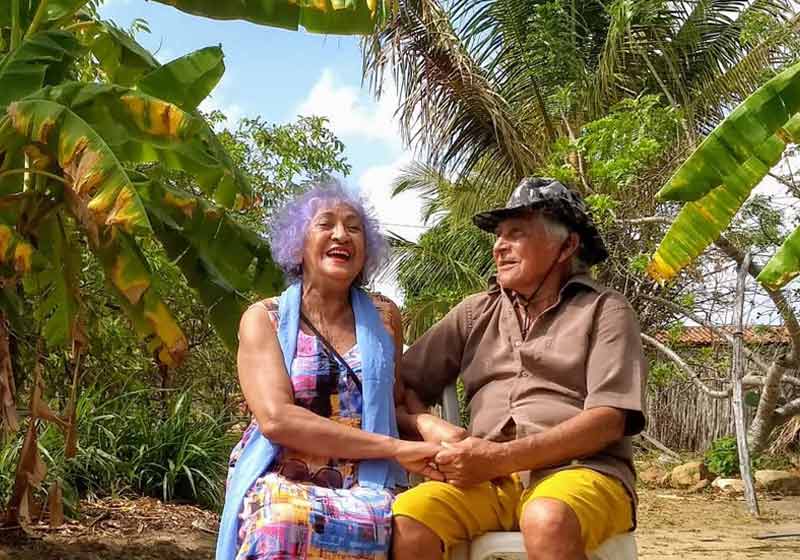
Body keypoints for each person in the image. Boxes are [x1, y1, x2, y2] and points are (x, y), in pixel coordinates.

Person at [392, 178, 648, 560]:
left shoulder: (605, 309)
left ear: (567, 246)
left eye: (516, 234)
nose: (499, 246)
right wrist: (425, 424)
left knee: (546, 517)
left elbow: (609, 419)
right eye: (498, 236)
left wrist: (498, 458)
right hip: (487, 480)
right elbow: (398, 384)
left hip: (581, 471)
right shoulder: (474, 312)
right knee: (408, 520)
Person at [216, 181, 443, 560]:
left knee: (404, 521)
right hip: (283, 474)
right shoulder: (264, 319)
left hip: (370, 479)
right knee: (283, 520)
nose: (342, 235)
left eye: (354, 228)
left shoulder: (386, 317)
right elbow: (278, 420)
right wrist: (395, 448)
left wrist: (428, 427)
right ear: (298, 244)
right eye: (326, 224)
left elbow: (392, 405)